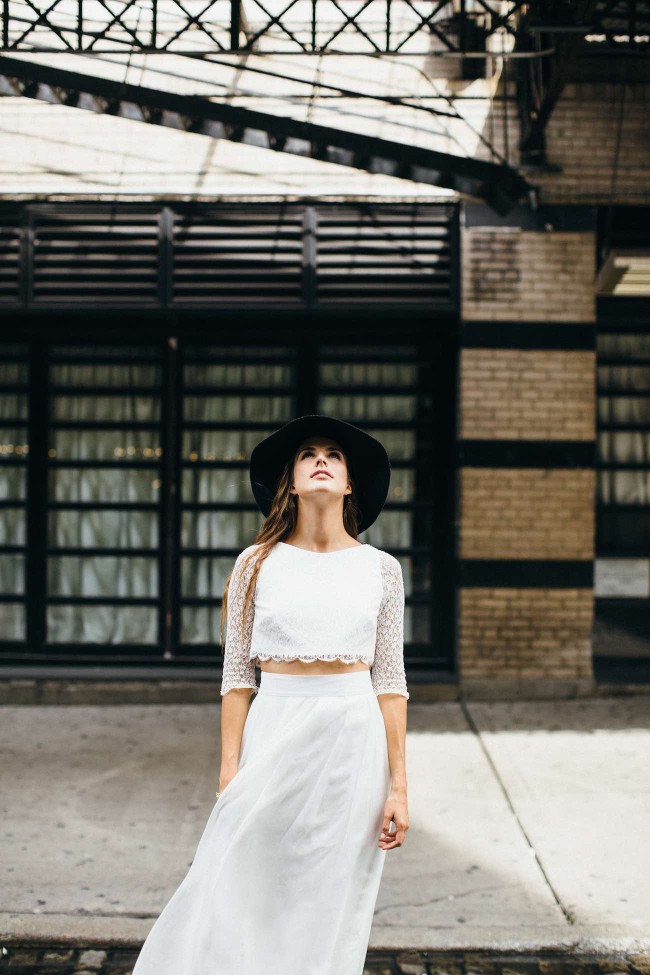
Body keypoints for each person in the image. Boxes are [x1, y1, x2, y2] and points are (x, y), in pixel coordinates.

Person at [131, 413, 409, 975]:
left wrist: (399, 786)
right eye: (308, 454)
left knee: (329, 895)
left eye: (334, 454)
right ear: (291, 480)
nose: (322, 460)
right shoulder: (255, 564)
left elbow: (390, 682)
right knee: (241, 883)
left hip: (353, 746)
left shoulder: (381, 570)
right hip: (275, 733)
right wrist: (229, 770)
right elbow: (237, 676)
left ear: (350, 482)